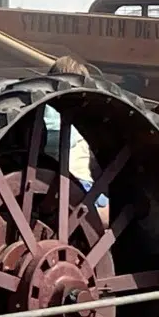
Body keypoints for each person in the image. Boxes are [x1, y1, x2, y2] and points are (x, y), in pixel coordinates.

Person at [44, 56, 109, 225]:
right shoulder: (75, 124)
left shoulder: (40, 111)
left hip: (41, 188)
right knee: (112, 216)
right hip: (74, 191)